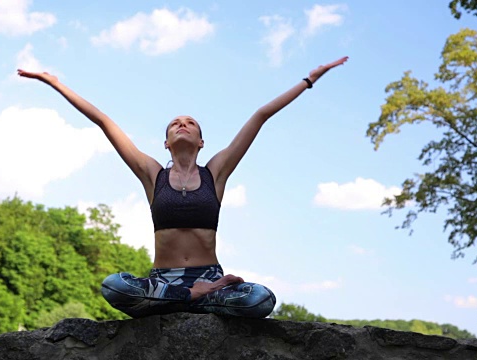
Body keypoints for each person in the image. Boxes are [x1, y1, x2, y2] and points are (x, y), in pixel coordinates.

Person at [18, 56, 348, 318]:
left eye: (190, 123)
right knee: (114, 286)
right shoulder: (152, 174)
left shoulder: (215, 172)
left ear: (201, 141)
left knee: (261, 299)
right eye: (176, 123)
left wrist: (309, 80)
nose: (182, 125)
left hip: (210, 278)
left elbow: (260, 115)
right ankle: (190, 298)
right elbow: (104, 121)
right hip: (162, 279)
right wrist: (55, 83)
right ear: (166, 142)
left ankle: (188, 299)